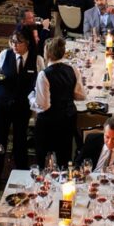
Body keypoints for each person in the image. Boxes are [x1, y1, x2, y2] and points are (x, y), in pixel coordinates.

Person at [0, 30, 43, 182]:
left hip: (22, 106)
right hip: (3, 103)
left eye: (18, 43)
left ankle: (22, 173)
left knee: (20, 139)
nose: (14, 46)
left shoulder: (36, 60)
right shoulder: (5, 54)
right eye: (12, 42)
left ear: (27, 43)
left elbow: (40, 83)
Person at [30, 36, 84, 167]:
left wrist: (31, 97)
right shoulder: (73, 69)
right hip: (68, 119)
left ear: (47, 53)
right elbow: (80, 95)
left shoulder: (44, 74)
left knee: (45, 157)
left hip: (49, 123)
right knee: (64, 156)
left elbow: (43, 105)